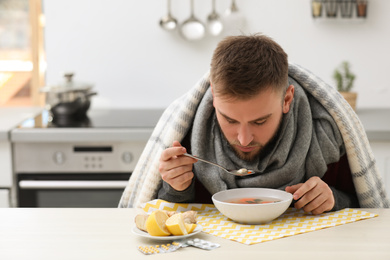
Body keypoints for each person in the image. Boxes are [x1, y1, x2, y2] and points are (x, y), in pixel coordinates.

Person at [118, 34, 389, 211]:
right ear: (213, 96)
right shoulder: (186, 138)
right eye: (229, 119)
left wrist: (332, 199)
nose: (244, 138)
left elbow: (367, 210)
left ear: (287, 100)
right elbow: (164, 222)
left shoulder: (326, 133)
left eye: (260, 120)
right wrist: (176, 187)